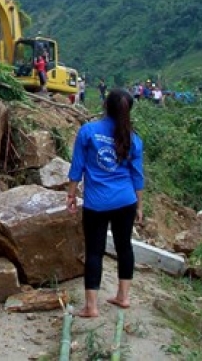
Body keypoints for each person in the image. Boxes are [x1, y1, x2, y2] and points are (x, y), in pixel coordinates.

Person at [66, 88, 145, 318]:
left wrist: (71, 195)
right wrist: (139, 206)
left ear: (105, 106)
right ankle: (123, 297)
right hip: (126, 201)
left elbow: (77, 166)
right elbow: (137, 175)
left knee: (94, 251)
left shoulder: (88, 131)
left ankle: (91, 307)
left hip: (97, 204)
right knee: (124, 247)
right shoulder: (134, 139)